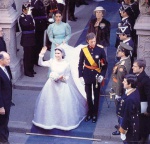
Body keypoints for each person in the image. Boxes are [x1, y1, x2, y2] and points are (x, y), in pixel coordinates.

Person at [32, 46, 87, 130]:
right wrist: (41, 54)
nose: (57, 55)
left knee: (63, 103)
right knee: (50, 102)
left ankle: (62, 122)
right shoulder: (52, 61)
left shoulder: (66, 64)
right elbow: (41, 63)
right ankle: (49, 121)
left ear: (62, 54)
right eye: (56, 53)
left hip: (62, 86)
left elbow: (68, 76)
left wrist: (62, 78)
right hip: (51, 86)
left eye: (58, 53)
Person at [78, 32, 107, 123]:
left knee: (96, 95)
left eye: (94, 41)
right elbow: (80, 64)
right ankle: (89, 113)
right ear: (87, 41)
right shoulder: (84, 50)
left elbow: (104, 65)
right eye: (91, 42)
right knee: (88, 95)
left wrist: (102, 75)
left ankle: (95, 114)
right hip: (87, 74)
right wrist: (80, 76)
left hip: (96, 75)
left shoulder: (100, 50)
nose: (93, 43)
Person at [112, 42, 132, 135]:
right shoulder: (125, 60)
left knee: (120, 111)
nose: (117, 52)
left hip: (120, 90)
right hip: (121, 89)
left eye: (119, 51)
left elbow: (120, 81)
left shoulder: (122, 66)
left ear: (123, 52)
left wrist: (117, 94)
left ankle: (121, 128)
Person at [132, 59, 150, 144]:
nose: (133, 68)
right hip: (136, 106)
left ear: (141, 68)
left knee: (142, 127)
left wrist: (148, 110)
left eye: (135, 66)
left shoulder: (146, 80)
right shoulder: (135, 77)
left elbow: (149, 95)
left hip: (143, 107)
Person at [118, 74, 140, 144]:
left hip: (128, 124)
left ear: (129, 84)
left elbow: (127, 115)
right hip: (129, 120)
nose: (122, 82)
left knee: (127, 140)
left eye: (124, 81)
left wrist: (123, 130)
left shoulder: (130, 99)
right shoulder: (133, 91)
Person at [19, 2, 36, 77]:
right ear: (23, 10)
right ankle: (27, 71)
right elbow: (25, 25)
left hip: (32, 37)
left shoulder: (29, 16)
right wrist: (28, 16)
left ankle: (31, 69)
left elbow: (33, 26)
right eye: (27, 9)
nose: (29, 10)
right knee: (27, 56)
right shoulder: (22, 17)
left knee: (32, 55)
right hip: (26, 39)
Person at [0, 51, 12, 144]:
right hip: (2, 102)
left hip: (7, 100)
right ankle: (3, 140)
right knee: (2, 123)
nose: (9, 61)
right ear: (1, 60)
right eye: (7, 59)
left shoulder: (6, 67)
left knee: (5, 121)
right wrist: (1, 106)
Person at [31, 0, 48, 66]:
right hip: (39, 25)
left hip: (40, 25)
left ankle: (39, 58)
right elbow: (39, 13)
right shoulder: (36, 2)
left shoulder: (37, 1)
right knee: (38, 43)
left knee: (40, 43)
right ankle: (37, 59)